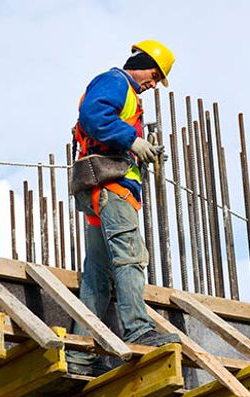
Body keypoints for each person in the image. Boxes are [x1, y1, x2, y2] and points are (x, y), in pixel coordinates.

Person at [67, 40, 179, 375]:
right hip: (112, 189)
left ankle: (80, 354)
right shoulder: (116, 82)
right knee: (130, 257)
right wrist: (132, 141)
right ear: (141, 63)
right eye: (154, 75)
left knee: (98, 277)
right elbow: (93, 115)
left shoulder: (128, 95)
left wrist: (141, 149)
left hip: (101, 190)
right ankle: (139, 329)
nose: (153, 83)